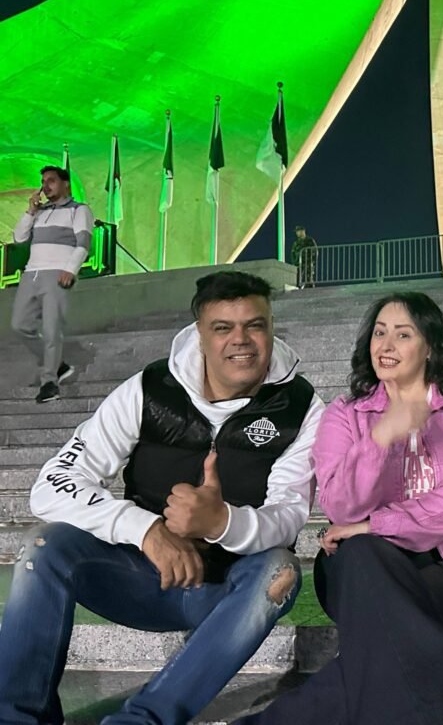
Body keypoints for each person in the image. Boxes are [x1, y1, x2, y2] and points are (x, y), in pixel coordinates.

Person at [0, 270, 324, 725]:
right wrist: (146, 529)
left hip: (227, 589)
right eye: (223, 327)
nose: (241, 340)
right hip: (139, 577)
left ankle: (142, 720)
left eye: (255, 325)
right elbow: (53, 483)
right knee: (44, 545)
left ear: (271, 327)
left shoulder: (302, 408)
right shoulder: (148, 389)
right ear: (200, 334)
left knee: (280, 569)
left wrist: (222, 523)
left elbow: (289, 516)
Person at [235, 291, 443, 725]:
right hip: (360, 573)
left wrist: (377, 524)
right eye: (380, 333)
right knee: (361, 552)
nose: (386, 345)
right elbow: (340, 506)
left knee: (381, 661)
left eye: (403, 334)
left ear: (430, 346)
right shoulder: (346, 413)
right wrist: (379, 438)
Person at [11, 165, 94, 403]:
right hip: (32, 274)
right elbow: (18, 238)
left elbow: (83, 244)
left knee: (50, 329)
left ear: (65, 184)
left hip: (57, 273)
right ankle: (58, 365)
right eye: (43, 182)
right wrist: (30, 211)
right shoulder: (40, 212)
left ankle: (49, 382)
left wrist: (71, 269)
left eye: (51, 181)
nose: (45, 186)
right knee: (19, 325)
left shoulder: (79, 210)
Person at [290, 225, 317, 289]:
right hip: (298, 263)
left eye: (298, 231)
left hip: (308, 263)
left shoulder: (310, 240)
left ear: (303, 231)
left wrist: (312, 260)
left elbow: (315, 251)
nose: (297, 233)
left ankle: (310, 290)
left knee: (308, 278)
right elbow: (292, 253)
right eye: (296, 232)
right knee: (298, 277)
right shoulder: (296, 243)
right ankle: (299, 288)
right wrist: (294, 262)